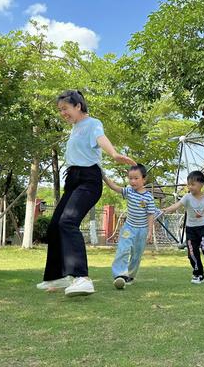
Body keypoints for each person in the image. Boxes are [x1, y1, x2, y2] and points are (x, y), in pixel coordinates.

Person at [37, 90, 135, 297]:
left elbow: (101, 138)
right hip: (72, 179)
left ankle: (82, 278)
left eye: (65, 109)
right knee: (55, 226)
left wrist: (114, 154)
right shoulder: (75, 128)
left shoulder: (92, 123)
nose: (62, 113)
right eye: (60, 110)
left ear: (78, 106)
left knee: (68, 222)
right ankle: (58, 276)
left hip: (88, 180)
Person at [163, 171, 204, 284]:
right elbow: (177, 205)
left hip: (203, 228)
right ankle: (198, 275)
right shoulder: (187, 197)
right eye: (189, 184)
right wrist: (167, 209)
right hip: (190, 230)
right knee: (192, 253)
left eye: (193, 184)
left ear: (201, 184)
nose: (190, 187)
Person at [103, 164, 155, 289]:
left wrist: (149, 232)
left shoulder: (148, 197)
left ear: (144, 179)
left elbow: (150, 214)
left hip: (142, 230)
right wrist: (104, 177)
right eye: (130, 178)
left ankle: (130, 275)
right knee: (123, 249)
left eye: (136, 178)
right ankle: (120, 275)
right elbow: (115, 187)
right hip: (128, 228)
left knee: (136, 254)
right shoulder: (129, 191)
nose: (132, 181)